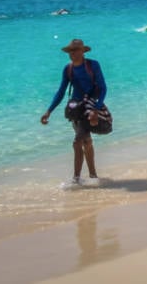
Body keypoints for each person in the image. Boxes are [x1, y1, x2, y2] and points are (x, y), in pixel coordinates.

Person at [40, 38, 107, 187]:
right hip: (75, 110)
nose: (73, 53)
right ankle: (93, 176)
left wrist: (96, 109)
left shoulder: (93, 65)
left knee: (78, 142)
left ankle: (76, 179)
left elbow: (103, 88)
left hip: (90, 108)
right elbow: (61, 92)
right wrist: (49, 111)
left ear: (83, 51)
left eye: (76, 50)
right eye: (71, 51)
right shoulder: (68, 69)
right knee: (85, 140)